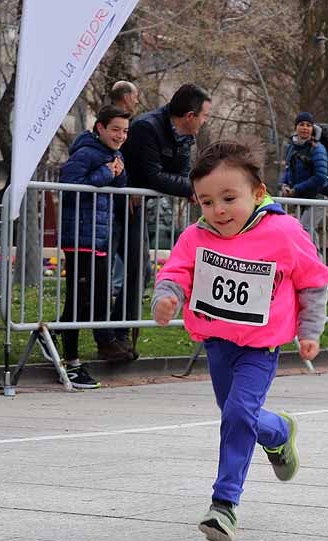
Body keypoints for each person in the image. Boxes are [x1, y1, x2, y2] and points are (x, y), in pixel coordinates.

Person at [152, 140, 328, 541]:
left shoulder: (284, 232)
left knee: (236, 414)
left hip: (260, 348)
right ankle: (279, 431)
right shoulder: (198, 236)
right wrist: (166, 299)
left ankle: (224, 505)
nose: (219, 211)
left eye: (229, 198)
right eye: (206, 201)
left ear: (257, 192)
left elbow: (314, 281)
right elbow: (175, 273)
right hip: (217, 343)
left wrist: (310, 332)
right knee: (239, 415)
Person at [108, 83, 212, 359]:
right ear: (189, 115)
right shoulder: (147, 127)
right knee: (103, 273)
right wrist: (189, 189)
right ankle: (106, 336)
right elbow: (151, 176)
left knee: (137, 269)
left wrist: (190, 186)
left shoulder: (184, 136)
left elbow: (181, 173)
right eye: (204, 115)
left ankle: (119, 336)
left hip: (134, 206)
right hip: (113, 204)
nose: (205, 121)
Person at [56, 105, 133, 384]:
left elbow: (119, 183)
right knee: (78, 300)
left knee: (100, 298)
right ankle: (71, 361)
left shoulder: (114, 155)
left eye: (125, 131)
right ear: (99, 127)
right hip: (79, 237)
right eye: (115, 129)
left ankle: (54, 338)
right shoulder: (86, 152)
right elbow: (70, 183)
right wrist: (105, 173)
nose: (120, 136)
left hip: (98, 238)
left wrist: (117, 171)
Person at [279, 112, 328, 251]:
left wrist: (297, 189)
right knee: (302, 232)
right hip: (301, 198)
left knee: (306, 231)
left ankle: (317, 265)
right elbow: (288, 169)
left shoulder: (317, 149)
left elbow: (320, 177)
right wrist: (284, 184)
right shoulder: (291, 147)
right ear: (296, 127)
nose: (305, 128)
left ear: (313, 129)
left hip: (317, 198)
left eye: (308, 125)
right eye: (301, 124)